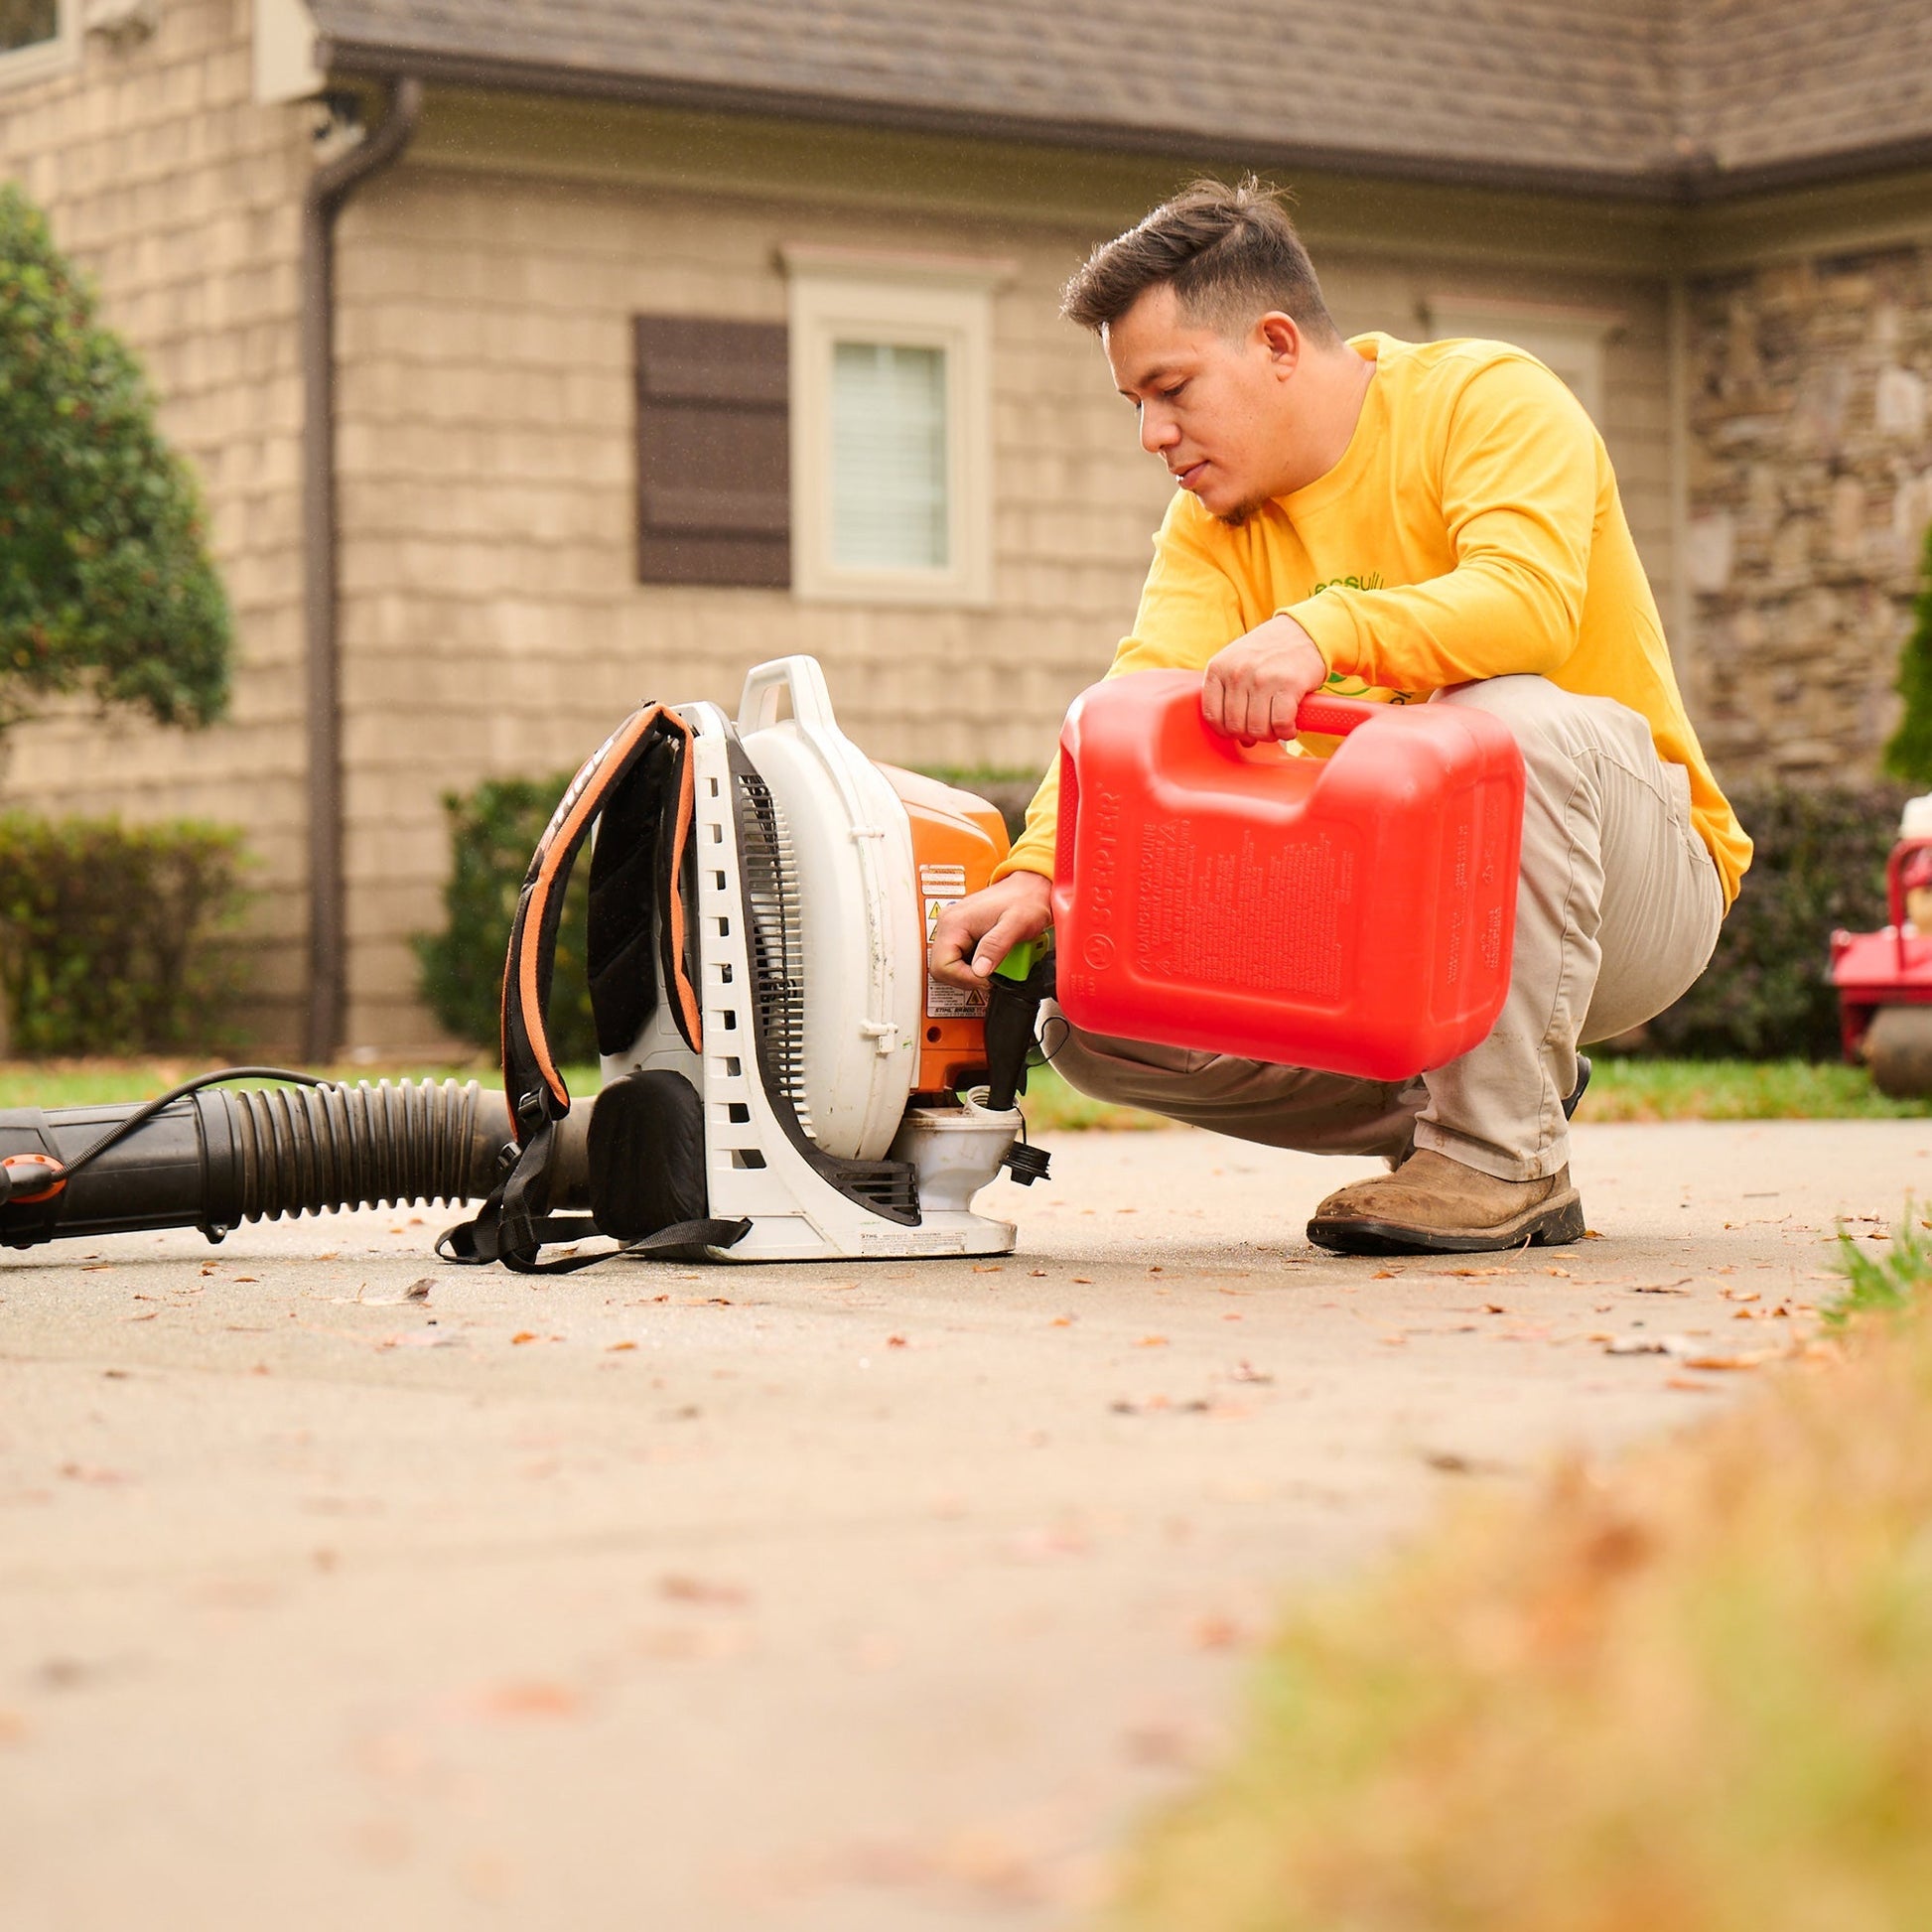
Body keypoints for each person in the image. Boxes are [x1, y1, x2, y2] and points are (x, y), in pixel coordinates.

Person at [929, 178, 1749, 1256]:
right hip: (1387, 921)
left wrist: (1325, 628)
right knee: (1095, 1012)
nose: (1150, 433)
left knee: (1498, 721)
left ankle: (1504, 1160)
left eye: (1169, 388)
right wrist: (1039, 871)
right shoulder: (1209, 524)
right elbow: (1135, 700)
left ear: (1274, 341)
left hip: (1632, 887)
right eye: (1133, 402)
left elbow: (1530, 604)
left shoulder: (1484, 397)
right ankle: (1478, 1093)